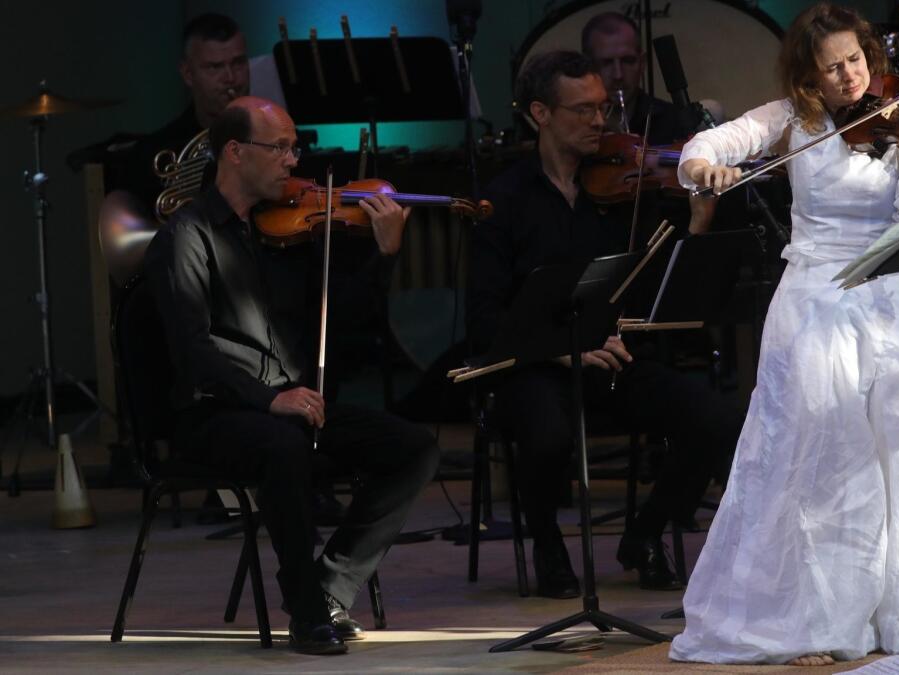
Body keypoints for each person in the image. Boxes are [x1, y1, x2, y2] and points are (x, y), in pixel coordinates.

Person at [668, 4, 899, 665]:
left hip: (890, 295)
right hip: (816, 297)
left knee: (898, 447)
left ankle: (887, 608)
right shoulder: (790, 119)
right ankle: (813, 614)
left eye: (857, 61)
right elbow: (708, 146)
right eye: (832, 66)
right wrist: (704, 171)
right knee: (820, 456)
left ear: (872, 57)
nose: (848, 77)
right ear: (810, 74)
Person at [144, 97, 439, 655]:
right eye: (278, 147)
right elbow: (192, 349)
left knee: (414, 447)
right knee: (284, 446)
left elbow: (346, 319)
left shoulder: (285, 231)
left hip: (290, 404)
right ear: (234, 152)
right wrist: (266, 399)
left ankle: (331, 584)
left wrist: (385, 254)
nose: (293, 161)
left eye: (293, 147)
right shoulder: (186, 237)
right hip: (212, 412)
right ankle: (305, 611)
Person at [466, 51, 742, 598]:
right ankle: (547, 546)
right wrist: (562, 350)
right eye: (583, 111)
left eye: (603, 109)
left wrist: (699, 222)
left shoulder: (622, 194)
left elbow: (657, 290)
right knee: (545, 433)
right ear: (539, 114)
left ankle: (644, 534)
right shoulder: (503, 201)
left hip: (609, 358)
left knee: (714, 418)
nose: (599, 123)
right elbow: (485, 318)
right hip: (535, 366)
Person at [112, 13, 250, 210]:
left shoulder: (274, 140)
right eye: (214, 67)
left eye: (238, 63)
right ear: (188, 74)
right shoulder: (154, 154)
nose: (230, 78)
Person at [580, 11, 696, 145]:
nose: (618, 75)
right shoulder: (575, 126)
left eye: (628, 61)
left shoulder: (673, 121)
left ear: (642, 63)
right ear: (588, 65)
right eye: (606, 63)